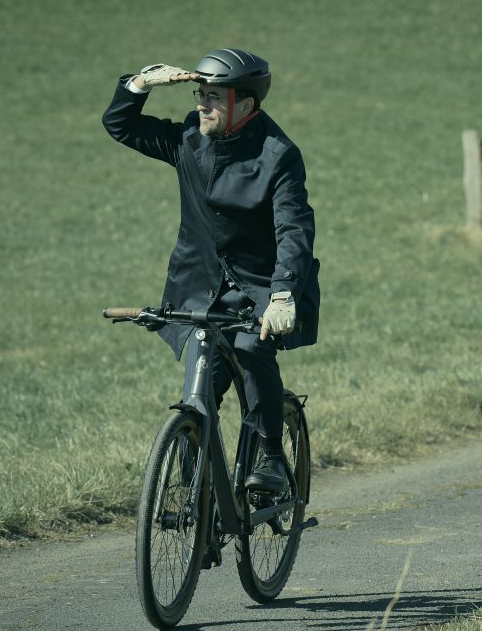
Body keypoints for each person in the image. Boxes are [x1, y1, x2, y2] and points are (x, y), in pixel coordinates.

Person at [102, 48, 320, 493]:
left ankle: (272, 458)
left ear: (245, 104)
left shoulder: (278, 155)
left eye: (214, 97)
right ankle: (191, 496)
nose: (202, 104)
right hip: (199, 286)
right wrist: (141, 84)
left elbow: (294, 229)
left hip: (261, 287)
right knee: (197, 389)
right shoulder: (188, 137)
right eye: (201, 94)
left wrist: (282, 294)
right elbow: (120, 126)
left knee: (252, 348)